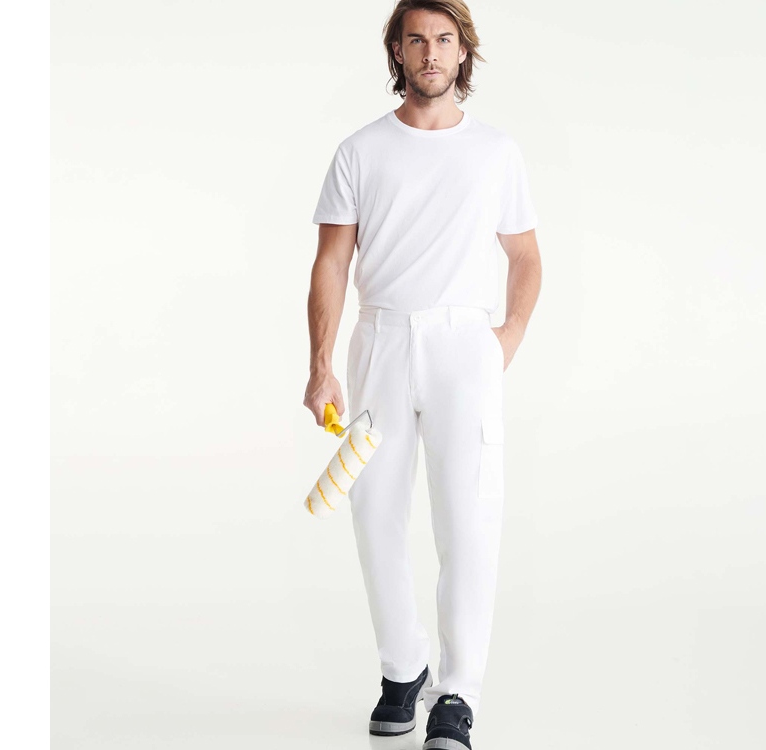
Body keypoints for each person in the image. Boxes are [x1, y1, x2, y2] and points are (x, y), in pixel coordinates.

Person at [302, 2, 541, 747]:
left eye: (444, 39)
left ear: (463, 52)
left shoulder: (495, 152)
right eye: (417, 40)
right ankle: (404, 669)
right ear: (398, 52)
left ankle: (458, 693)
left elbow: (526, 257)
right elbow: (332, 261)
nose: (431, 52)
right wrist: (320, 365)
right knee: (374, 513)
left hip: (464, 347)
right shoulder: (360, 151)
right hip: (380, 342)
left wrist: (506, 337)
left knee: (468, 518)